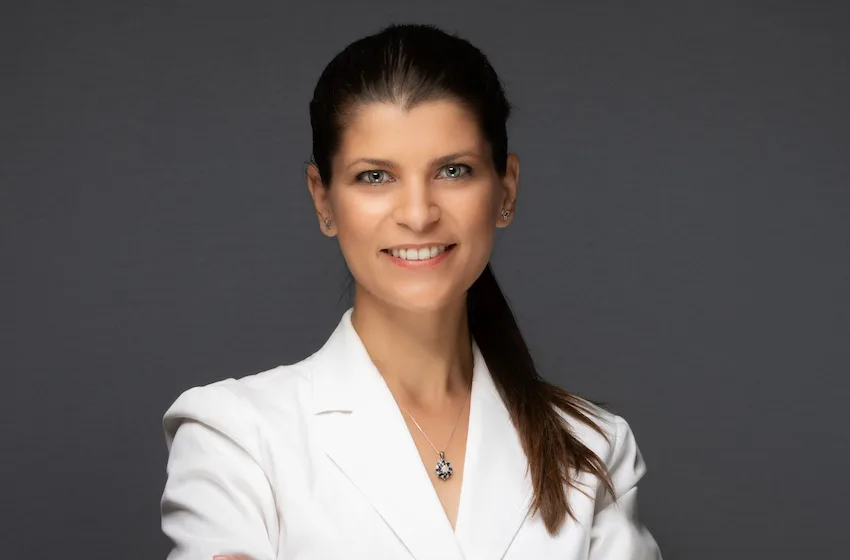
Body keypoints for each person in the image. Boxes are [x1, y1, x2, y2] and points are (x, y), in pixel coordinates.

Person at [160, 23, 662, 560]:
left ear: (506, 189)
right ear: (323, 200)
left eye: (453, 170)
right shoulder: (235, 438)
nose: (419, 215)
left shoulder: (591, 447)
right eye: (375, 177)